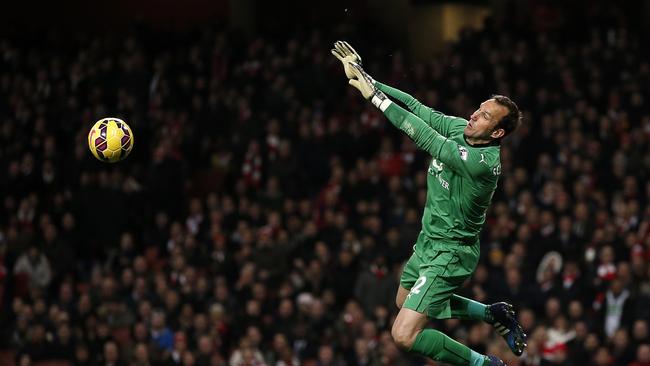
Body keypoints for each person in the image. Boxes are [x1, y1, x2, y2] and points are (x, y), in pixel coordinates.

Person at [332, 41, 526, 366]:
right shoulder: (463, 130)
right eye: (479, 108)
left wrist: (374, 98)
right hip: (428, 240)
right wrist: (369, 79)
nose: (475, 115)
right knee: (403, 299)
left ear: (497, 134)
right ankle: (492, 313)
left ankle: (484, 364)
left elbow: (424, 136)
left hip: (451, 251)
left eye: (485, 116)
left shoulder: (482, 162)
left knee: (403, 335)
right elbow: (419, 109)